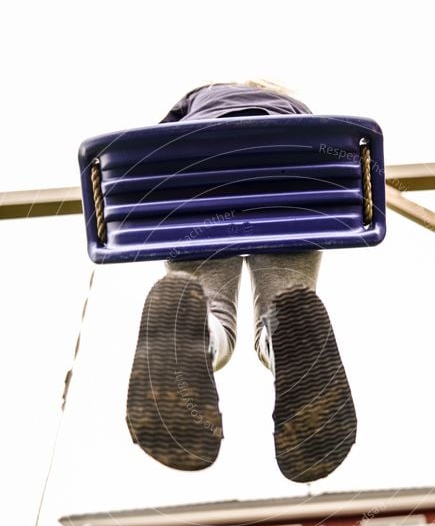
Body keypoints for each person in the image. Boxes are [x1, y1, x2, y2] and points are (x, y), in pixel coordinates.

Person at [126, 81, 356, 483]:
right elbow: (326, 150)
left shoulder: (198, 97)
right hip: (290, 189)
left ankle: (201, 336)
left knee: (210, 306)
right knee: (284, 302)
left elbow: (156, 149)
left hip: (196, 187)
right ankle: (281, 344)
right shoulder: (292, 106)